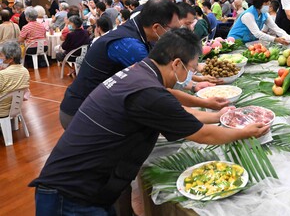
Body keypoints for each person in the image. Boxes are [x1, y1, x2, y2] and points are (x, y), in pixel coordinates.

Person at [30, 29, 269, 216]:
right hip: (70, 195)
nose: (191, 74)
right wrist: (245, 132)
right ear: (176, 63)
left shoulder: (141, 72)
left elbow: (175, 107)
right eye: (192, 67)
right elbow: (203, 134)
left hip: (84, 188)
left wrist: (217, 112)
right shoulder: (148, 92)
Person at [58, 0, 181, 129]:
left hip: (99, 108)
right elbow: (158, 83)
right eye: (174, 30)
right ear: (156, 27)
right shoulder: (130, 44)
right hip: (82, 113)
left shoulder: (139, 30)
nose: (176, 35)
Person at [0, 41, 29, 117]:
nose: (1, 59)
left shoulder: (3, 74)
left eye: (1, 56)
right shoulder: (25, 71)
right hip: (15, 108)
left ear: (10, 59)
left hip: (2, 110)